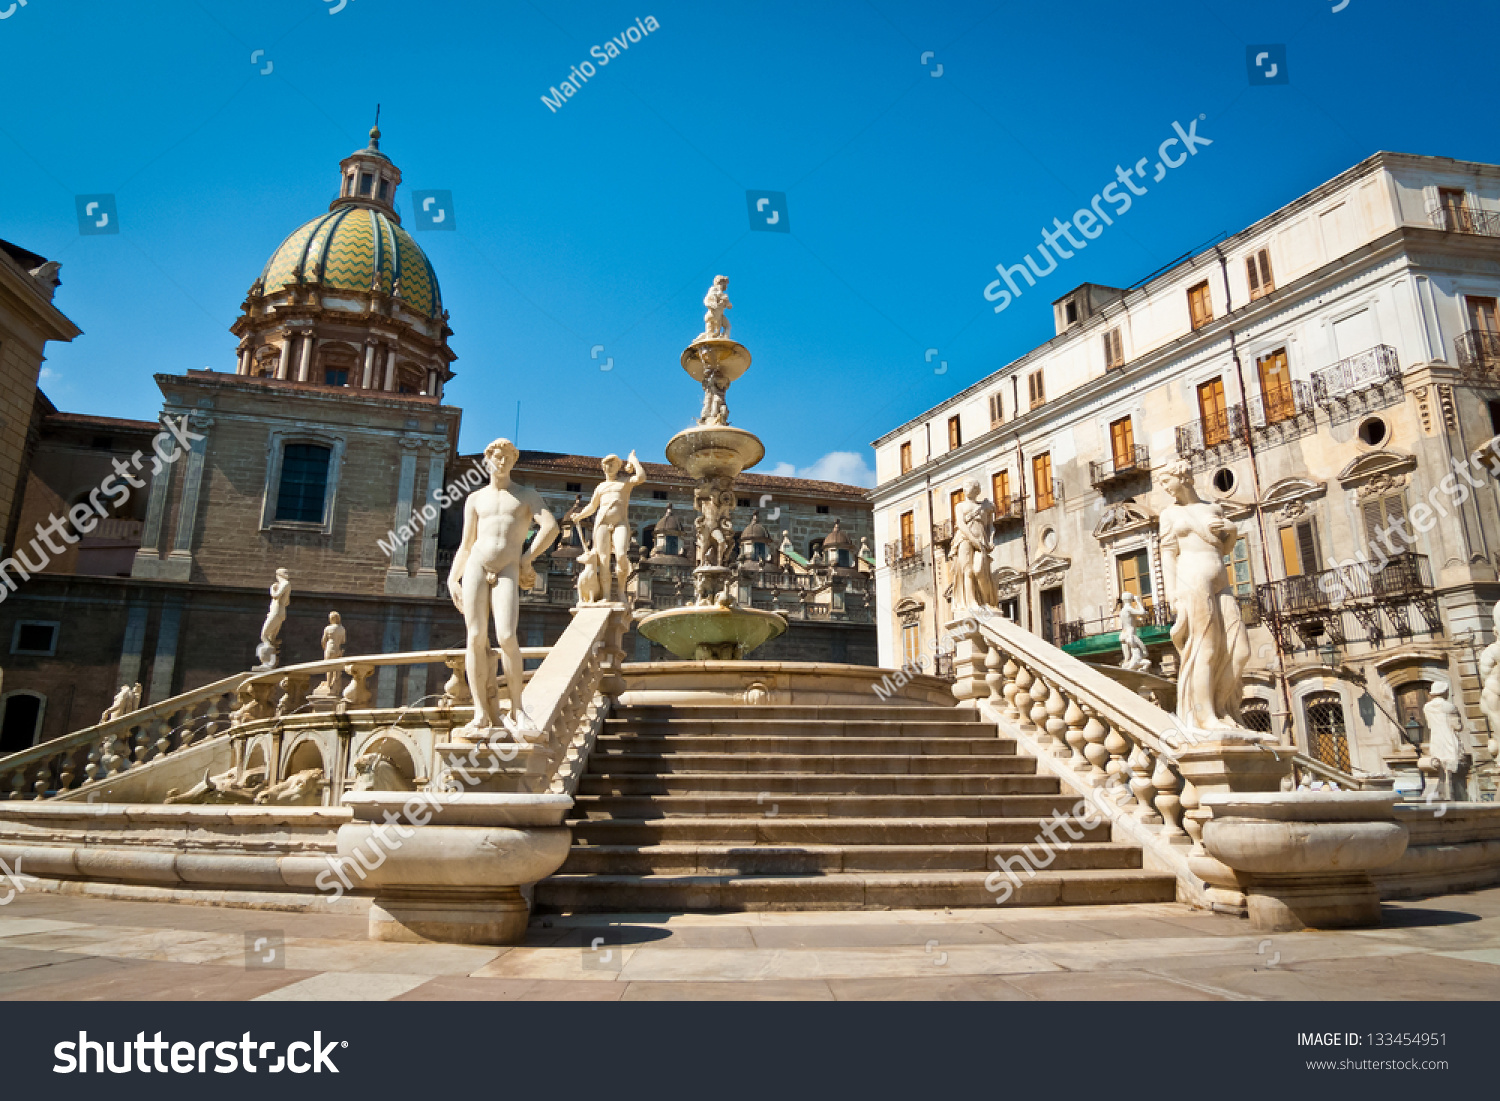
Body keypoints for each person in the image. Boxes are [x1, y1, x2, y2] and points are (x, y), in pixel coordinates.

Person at [447, 438, 558, 737]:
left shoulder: (525, 495)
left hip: (508, 566)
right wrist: (451, 578)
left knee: (507, 636)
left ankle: (517, 709)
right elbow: (466, 544)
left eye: (507, 456)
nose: (501, 460)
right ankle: (481, 713)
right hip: (475, 566)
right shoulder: (474, 499)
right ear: (488, 460)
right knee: (475, 637)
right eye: (496, 455)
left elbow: (550, 527)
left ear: (514, 461)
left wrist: (527, 558)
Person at [1158, 460, 1250, 731]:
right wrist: (1172, 592)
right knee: (1204, 648)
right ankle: (1205, 715)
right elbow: (1167, 553)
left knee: (1239, 648)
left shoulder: (1213, 508)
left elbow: (1225, 547)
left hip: (1220, 578)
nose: (1165, 488)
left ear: (1182, 477)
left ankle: (1222, 709)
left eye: (1166, 481)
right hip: (1192, 578)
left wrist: (1231, 532)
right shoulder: (1169, 515)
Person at [571, 450, 646, 602]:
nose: (609, 467)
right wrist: (579, 515)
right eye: (607, 464)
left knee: (621, 555)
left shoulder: (625, 482)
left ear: (619, 466)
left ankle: (620, 591)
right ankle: (605, 595)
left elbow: (641, 477)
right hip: (602, 522)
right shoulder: (600, 487)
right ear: (603, 468)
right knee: (603, 560)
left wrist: (633, 460)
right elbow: (592, 507)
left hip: (620, 523)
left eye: (612, 464)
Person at [949, 477, 998, 612]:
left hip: (981, 541)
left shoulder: (984, 507)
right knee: (968, 571)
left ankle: (986, 601)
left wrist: (990, 541)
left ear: (976, 489)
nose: (966, 487)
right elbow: (960, 524)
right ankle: (971, 603)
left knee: (980, 570)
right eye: (965, 485)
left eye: (969, 484)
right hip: (964, 539)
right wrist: (971, 539)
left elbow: (989, 526)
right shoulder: (960, 506)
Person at [1118, 590, 1151, 672]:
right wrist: (1138, 601)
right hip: (1130, 634)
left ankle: (1128, 670)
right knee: (1140, 652)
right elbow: (1142, 612)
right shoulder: (1128, 609)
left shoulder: (1122, 611)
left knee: (1127, 659)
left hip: (1123, 634)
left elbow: (1130, 621)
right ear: (1130, 599)